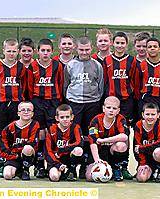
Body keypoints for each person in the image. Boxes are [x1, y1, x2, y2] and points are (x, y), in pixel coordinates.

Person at [63, 36, 104, 179]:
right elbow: (66, 85)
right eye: (81, 49)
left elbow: (101, 85)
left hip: (92, 104)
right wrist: (71, 100)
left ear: (91, 48)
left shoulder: (97, 65)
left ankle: (87, 164)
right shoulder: (70, 65)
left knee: (90, 135)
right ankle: (72, 166)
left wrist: (95, 100)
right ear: (76, 48)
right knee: (74, 135)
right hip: (75, 104)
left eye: (87, 49)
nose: (84, 52)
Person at [27, 38, 64, 178]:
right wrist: (34, 102)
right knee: (40, 134)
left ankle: (52, 163)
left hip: (53, 102)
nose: (45, 53)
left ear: (52, 51)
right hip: (38, 102)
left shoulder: (57, 65)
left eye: (48, 50)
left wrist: (58, 101)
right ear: (38, 51)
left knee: (53, 133)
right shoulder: (32, 66)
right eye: (43, 50)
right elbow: (30, 86)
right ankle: (39, 165)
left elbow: (60, 83)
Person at [0, 38, 27, 177]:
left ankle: (16, 164)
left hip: (17, 105)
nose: (11, 54)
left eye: (14, 51)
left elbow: (24, 86)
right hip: (2, 106)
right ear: (3, 50)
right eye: (8, 51)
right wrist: (1, 100)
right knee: (2, 136)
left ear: (18, 52)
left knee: (17, 136)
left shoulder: (21, 67)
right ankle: (1, 163)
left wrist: (19, 102)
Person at [103, 32, 136, 179]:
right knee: (108, 131)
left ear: (126, 44)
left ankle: (123, 166)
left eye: (122, 43)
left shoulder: (132, 61)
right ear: (112, 44)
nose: (120, 45)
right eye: (117, 43)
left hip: (126, 102)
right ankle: (110, 164)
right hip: (111, 100)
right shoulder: (107, 60)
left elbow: (135, 82)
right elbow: (104, 80)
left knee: (125, 134)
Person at [86, 96, 130, 181]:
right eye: (108, 107)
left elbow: (124, 136)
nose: (111, 110)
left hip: (111, 152)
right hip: (98, 152)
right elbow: (93, 141)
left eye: (114, 108)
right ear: (103, 108)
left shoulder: (121, 119)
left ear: (118, 111)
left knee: (121, 145)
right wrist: (97, 160)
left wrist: (104, 140)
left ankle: (116, 168)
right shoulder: (95, 120)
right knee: (89, 177)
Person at [0, 101, 40, 180]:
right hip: (15, 156)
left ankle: (25, 170)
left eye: (29, 110)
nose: (26, 112)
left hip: (29, 155)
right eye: (23, 110)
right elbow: (2, 146)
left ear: (33, 113)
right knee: (7, 175)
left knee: (27, 148)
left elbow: (33, 143)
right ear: (18, 113)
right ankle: (19, 170)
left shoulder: (35, 125)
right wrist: (14, 155)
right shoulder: (10, 128)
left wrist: (21, 152)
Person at [45, 104, 84, 182]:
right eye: (62, 117)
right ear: (57, 118)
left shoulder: (76, 127)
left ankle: (72, 171)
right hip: (56, 159)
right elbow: (47, 151)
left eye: (67, 117)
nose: (65, 119)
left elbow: (79, 143)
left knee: (79, 150)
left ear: (72, 117)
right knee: (54, 177)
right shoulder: (52, 129)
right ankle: (58, 171)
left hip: (69, 158)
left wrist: (62, 150)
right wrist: (57, 164)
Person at [133, 102, 160, 183]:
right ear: (143, 115)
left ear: (158, 115)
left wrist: (142, 148)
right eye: (147, 114)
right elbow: (136, 147)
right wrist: (142, 163)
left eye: (153, 114)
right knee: (141, 179)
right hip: (146, 158)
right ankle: (151, 171)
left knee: (159, 151)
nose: (150, 117)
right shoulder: (138, 125)